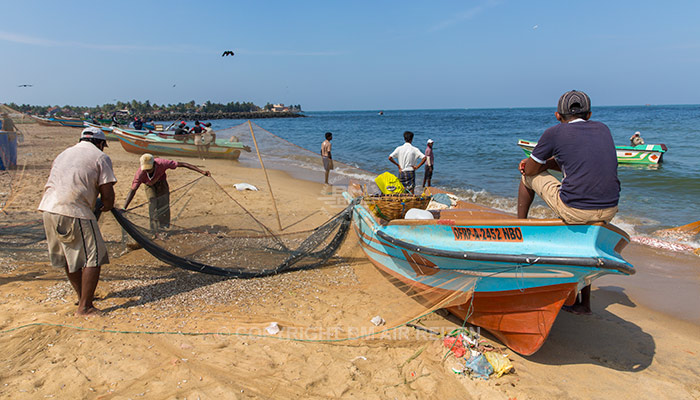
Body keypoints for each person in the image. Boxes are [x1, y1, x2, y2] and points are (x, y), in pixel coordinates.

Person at [517, 90, 620, 315]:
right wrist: (549, 163)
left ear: (557, 116)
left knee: (526, 175)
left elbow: (533, 169)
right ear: (589, 114)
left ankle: (519, 228)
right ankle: (584, 304)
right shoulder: (603, 129)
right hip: (610, 208)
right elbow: (573, 162)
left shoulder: (554, 133)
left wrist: (529, 163)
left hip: (577, 209)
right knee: (585, 235)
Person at [37, 127, 116, 316]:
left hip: (49, 208)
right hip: (74, 209)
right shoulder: (100, 157)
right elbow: (107, 191)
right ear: (100, 143)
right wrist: (107, 205)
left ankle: (82, 297)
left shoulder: (64, 153)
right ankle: (85, 307)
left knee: (68, 255)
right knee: (94, 257)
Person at [122, 153, 210, 234]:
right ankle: (154, 230)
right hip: (149, 185)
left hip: (161, 182)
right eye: (146, 169)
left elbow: (183, 164)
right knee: (152, 203)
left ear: (154, 164)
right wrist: (124, 207)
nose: (147, 171)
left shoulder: (162, 163)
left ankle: (164, 227)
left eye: (149, 168)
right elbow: (133, 190)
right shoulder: (140, 174)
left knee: (164, 204)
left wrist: (201, 171)